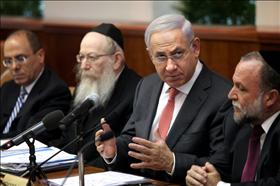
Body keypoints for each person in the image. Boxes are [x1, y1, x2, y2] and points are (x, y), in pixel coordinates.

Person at [95, 14, 232, 184]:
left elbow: (222, 166)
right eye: (160, 56)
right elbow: (133, 139)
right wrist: (114, 150)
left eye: (178, 54)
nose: (170, 66)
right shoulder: (147, 85)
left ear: (195, 47)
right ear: (150, 55)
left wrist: (172, 162)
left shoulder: (223, 96)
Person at [186, 51, 280, 186]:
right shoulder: (237, 121)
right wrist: (200, 176)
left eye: (241, 88)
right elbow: (220, 166)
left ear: (270, 98)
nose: (230, 95)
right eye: (233, 84)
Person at [59, 23, 141, 166]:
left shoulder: (136, 91)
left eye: (92, 57)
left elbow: (127, 149)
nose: (84, 65)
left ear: (116, 60)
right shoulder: (86, 85)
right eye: (81, 57)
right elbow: (68, 134)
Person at [0, 30, 72, 144]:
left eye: (20, 58)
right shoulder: (8, 88)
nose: (14, 67)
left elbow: (32, 136)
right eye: (8, 61)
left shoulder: (55, 91)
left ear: (40, 56)